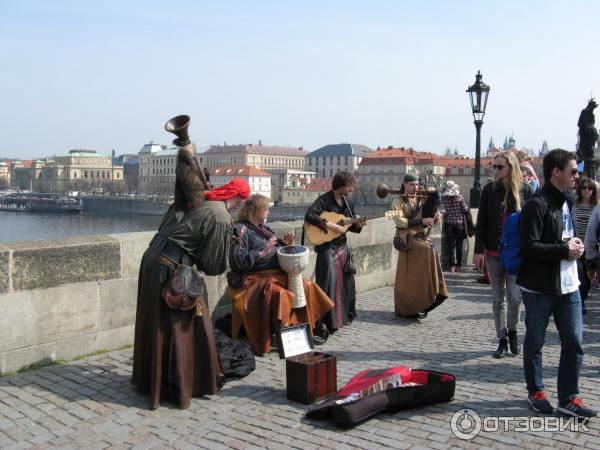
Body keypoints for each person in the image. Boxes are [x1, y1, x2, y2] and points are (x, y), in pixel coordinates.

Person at [131, 161, 250, 410]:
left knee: (154, 324)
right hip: (171, 268)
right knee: (178, 328)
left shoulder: (195, 200)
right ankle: (181, 384)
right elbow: (212, 266)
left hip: (152, 259)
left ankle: (150, 381)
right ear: (239, 199)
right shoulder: (220, 217)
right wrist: (227, 242)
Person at [518, 148, 596, 418]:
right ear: (556, 173)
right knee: (535, 342)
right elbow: (528, 247)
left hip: (570, 284)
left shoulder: (567, 201)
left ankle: (569, 397)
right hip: (540, 287)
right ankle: (536, 390)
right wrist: (564, 249)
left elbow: (566, 237)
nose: (577, 176)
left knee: (574, 341)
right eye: (573, 171)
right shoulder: (536, 205)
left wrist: (577, 250)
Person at [228, 194, 334, 354]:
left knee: (306, 286)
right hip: (255, 279)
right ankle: (284, 333)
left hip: (278, 274)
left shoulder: (265, 229)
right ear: (257, 211)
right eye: (266, 210)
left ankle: (307, 329)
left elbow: (280, 250)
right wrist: (262, 253)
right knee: (281, 294)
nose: (269, 213)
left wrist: (288, 245)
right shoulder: (241, 230)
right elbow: (236, 261)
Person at [474, 150, 532, 358]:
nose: (496, 171)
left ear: (511, 168)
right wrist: (478, 251)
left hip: (516, 253)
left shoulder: (525, 190)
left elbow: (532, 223)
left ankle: (513, 330)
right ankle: (502, 339)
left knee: (515, 297)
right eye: (494, 166)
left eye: (500, 167)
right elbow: (481, 222)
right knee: (498, 299)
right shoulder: (489, 190)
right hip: (492, 250)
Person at [304, 171, 366, 336]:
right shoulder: (325, 200)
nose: (351, 189)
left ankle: (341, 319)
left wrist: (359, 225)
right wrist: (330, 225)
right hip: (326, 248)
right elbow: (310, 215)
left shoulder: (348, 202)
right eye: (349, 186)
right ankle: (324, 323)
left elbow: (349, 226)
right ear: (341, 186)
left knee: (346, 285)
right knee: (328, 286)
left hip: (341, 248)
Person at [390, 173, 447, 318]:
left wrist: (436, 218)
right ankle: (408, 307)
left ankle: (427, 299)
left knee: (431, 251)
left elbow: (428, 218)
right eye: (411, 185)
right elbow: (397, 220)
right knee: (425, 254)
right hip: (407, 239)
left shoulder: (421, 199)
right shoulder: (396, 200)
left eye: (416, 185)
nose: (415, 188)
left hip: (422, 238)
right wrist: (420, 222)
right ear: (404, 184)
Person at [572, 177, 598, 314]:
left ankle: (582, 298)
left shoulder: (596, 207)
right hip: (577, 244)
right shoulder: (574, 205)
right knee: (578, 274)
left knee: (587, 276)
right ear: (580, 189)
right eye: (584, 188)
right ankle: (579, 301)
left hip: (591, 247)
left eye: (590, 188)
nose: (587, 191)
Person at [440, 180, 471, 272]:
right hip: (459, 225)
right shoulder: (460, 198)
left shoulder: (444, 199)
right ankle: (458, 266)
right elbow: (465, 209)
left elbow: (443, 212)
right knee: (459, 246)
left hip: (449, 225)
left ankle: (452, 266)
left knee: (451, 247)